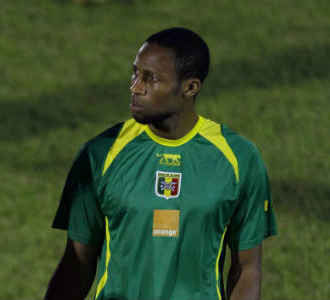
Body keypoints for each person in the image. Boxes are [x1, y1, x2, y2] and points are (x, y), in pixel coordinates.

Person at [45, 27, 277, 300]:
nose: (135, 88)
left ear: (189, 88)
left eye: (150, 78)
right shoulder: (99, 155)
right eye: (135, 73)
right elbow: (76, 265)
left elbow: (247, 269)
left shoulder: (239, 159)